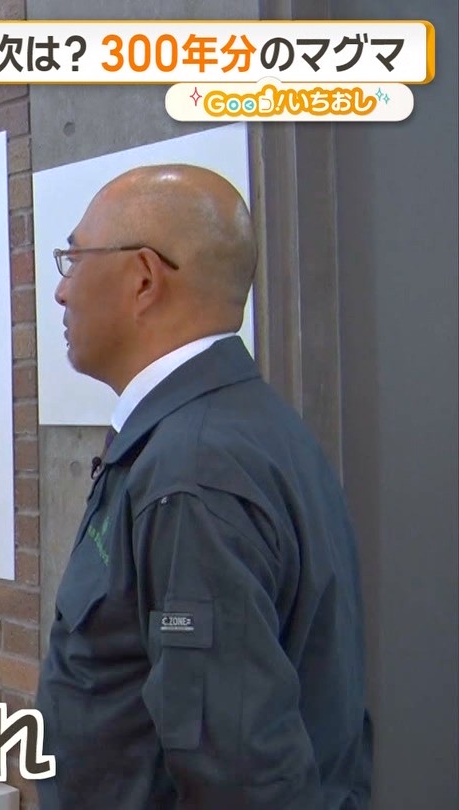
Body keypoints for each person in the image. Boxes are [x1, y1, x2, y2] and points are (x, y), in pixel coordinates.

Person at [37, 164, 372, 809]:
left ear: (143, 278)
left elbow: (239, 776)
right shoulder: (242, 430)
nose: (60, 291)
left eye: (73, 260)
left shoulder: (192, 472)